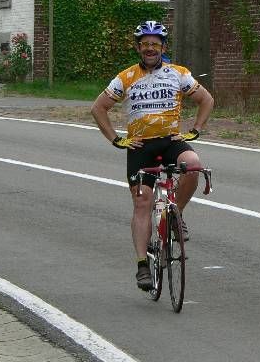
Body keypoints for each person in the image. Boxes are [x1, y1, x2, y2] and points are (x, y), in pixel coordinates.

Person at [91, 20, 214, 291]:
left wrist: (195, 130)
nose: (150, 49)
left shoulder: (178, 74)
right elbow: (99, 108)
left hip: (171, 141)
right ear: (138, 47)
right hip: (140, 147)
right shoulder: (125, 78)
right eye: (145, 44)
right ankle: (142, 266)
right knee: (143, 202)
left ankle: (174, 215)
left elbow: (207, 100)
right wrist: (117, 140)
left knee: (193, 166)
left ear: (163, 47)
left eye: (155, 45)